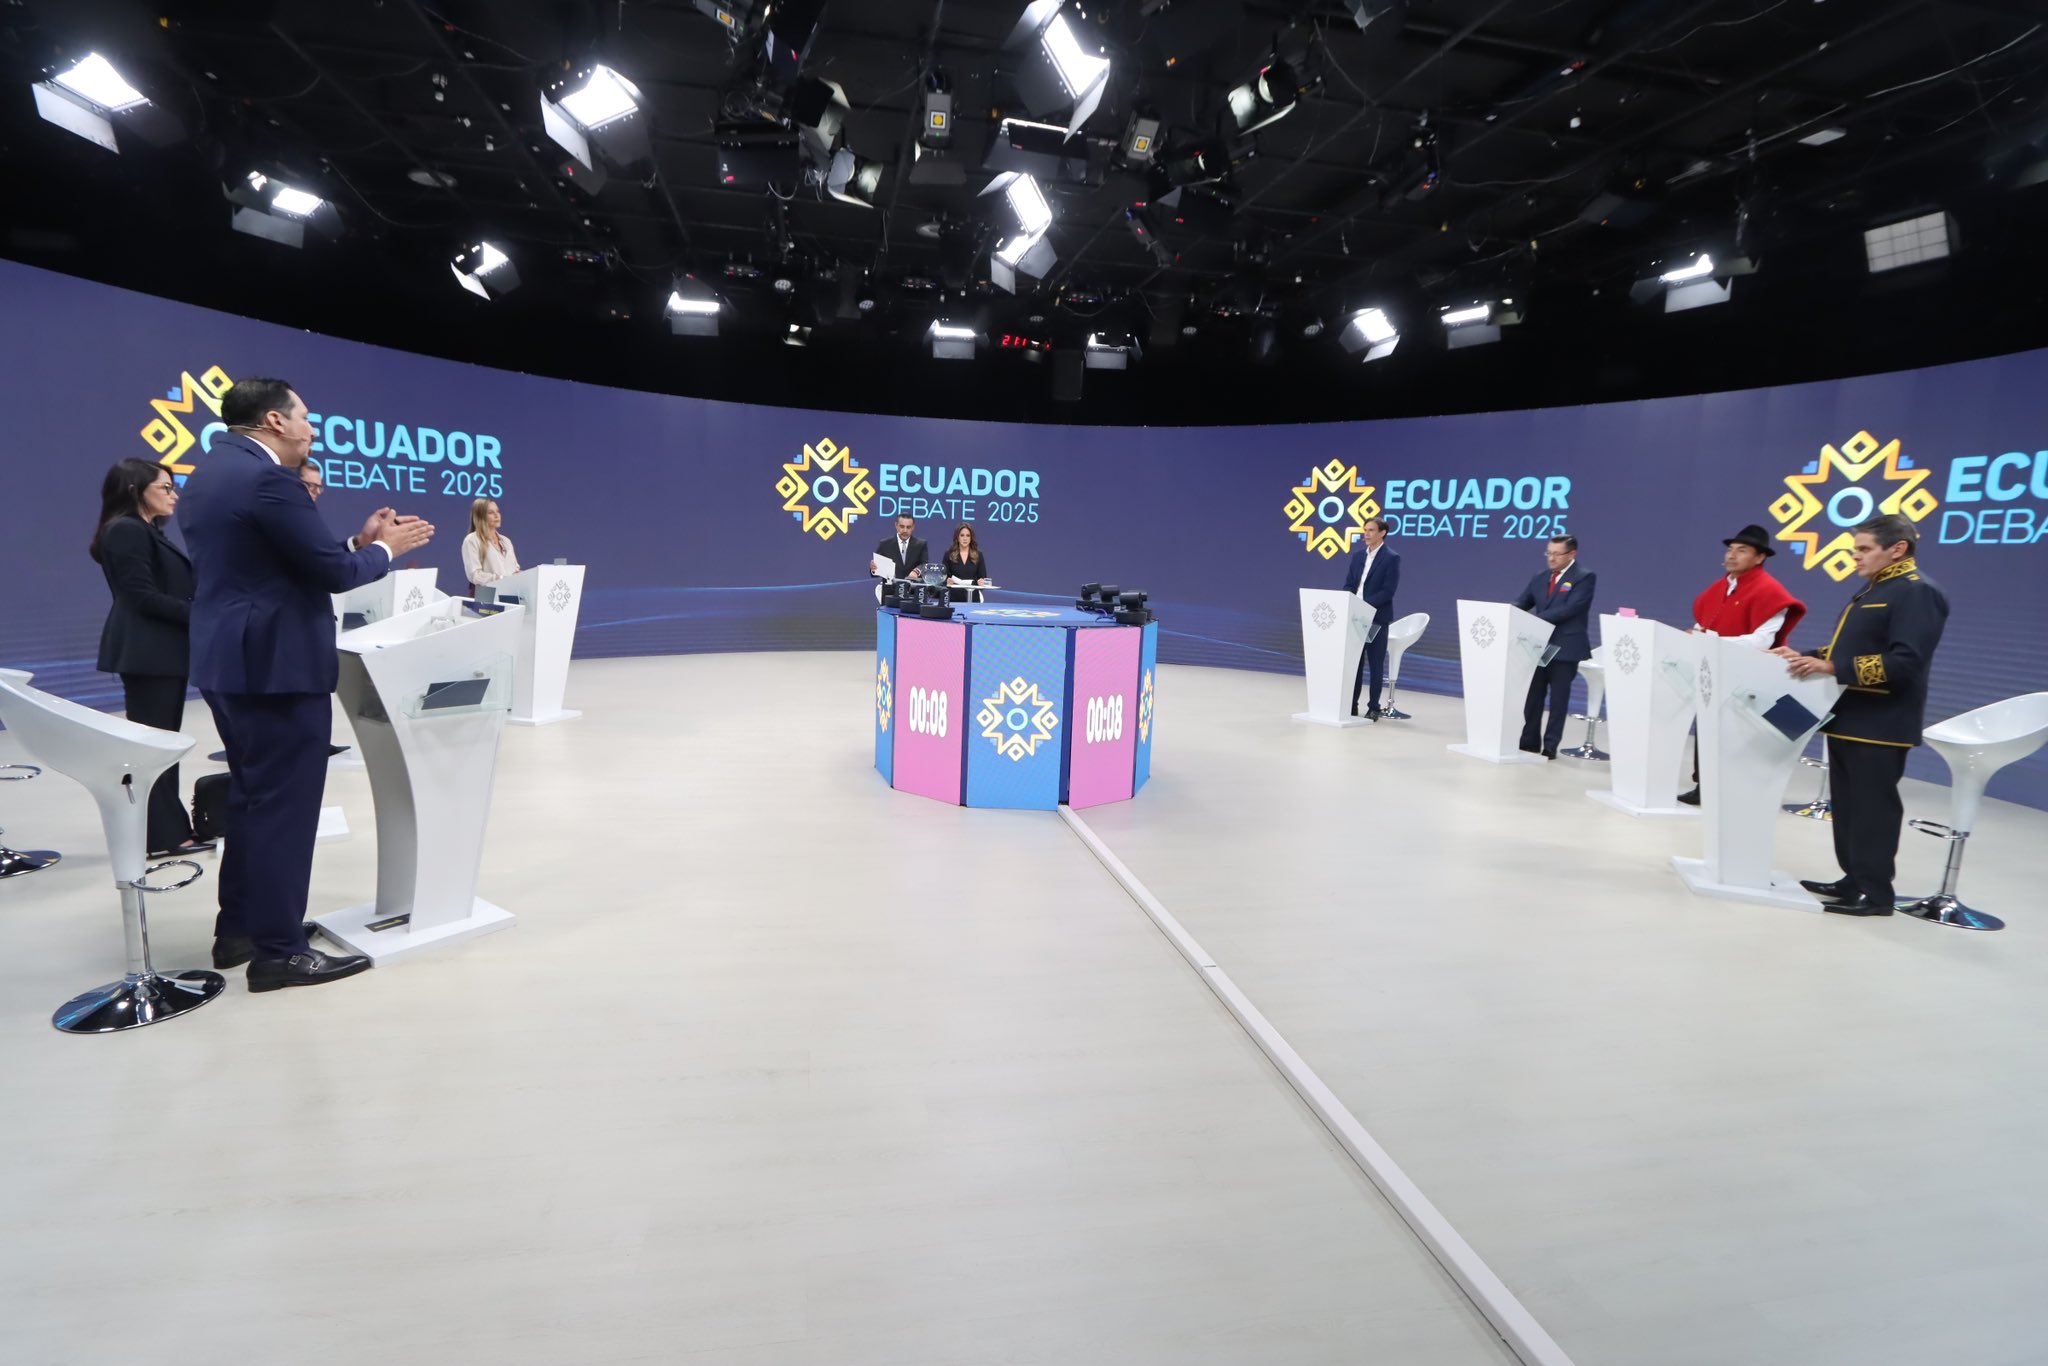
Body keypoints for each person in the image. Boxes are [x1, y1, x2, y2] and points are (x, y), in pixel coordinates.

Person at [178, 377, 435, 991]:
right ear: (274, 421)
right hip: (276, 668)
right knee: (286, 810)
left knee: (252, 799)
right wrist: (383, 552)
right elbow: (332, 573)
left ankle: (240, 930)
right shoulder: (270, 478)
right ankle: (280, 952)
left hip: (230, 663)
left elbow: (274, 564)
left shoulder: (209, 474)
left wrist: (357, 541)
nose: (312, 430)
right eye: (305, 419)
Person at [1773, 514, 1948, 916]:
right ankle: (1853, 879)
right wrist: (1809, 657)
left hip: (1883, 721)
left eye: (1864, 549)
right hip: (1851, 714)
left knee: (1873, 811)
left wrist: (1833, 668)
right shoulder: (1876, 589)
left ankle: (1876, 893)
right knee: (1850, 807)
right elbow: (1850, 647)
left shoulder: (1917, 593)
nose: (1856, 557)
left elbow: (1907, 661)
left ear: (1898, 548)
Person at [89, 458, 214, 859]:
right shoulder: (126, 531)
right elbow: (141, 596)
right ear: (135, 490)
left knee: (160, 746)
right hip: (149, 653)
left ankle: (165, 830)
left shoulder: (143, 530)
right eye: (165, 487)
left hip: (161, 652)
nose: (173, 495)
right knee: (154, 749)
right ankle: (163, 835)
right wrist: (205, 614)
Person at [1677, 523, 1807, 804]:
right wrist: (1697, 636)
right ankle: (1704, 786)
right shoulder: (1720, 588)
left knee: (1735, 733)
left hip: (1747, 675)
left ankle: (1732, 789)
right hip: (1714, 669)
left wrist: (1711, 642)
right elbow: (1704, 624)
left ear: (1760, 557)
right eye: (1730, 549)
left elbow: (1761, 641)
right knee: (1708, 725)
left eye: (1742, 550)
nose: (1732, 555)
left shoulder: (1770, 591)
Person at [1512, 534, 1597, 759]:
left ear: (1572, 554)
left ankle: (1550, 746)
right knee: (1533, 697)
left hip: (1565, 647)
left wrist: (1538, 619)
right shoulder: (1540, 577)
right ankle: (1529, 740)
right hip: (1538, 647)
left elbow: (1571, 608)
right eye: (1548, 553)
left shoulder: (1584, 577)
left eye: (1556, 554)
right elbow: (1523, 602)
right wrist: (1505, 612)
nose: (1551, 558)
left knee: (1558, 700)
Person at [1339, 516, 1400, 719]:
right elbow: (1349, 583)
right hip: (1355, 618)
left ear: (1382, 533)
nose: (1366, 534)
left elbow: (1388, 591)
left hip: (1376, 619)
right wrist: (1348, 601)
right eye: (1365, 530)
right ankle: (1351, 704)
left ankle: (1373, 707)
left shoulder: (1391, 558)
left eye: (1371, 530)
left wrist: (1365, 606)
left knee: (1375, 664)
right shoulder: (1357, 556)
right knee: (1354, 664)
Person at [462, 498, 519, 591]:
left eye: (498, 511)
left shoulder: (506, 541)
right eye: (491, 513)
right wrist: (500, 579)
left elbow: (514, 570)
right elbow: (475, 575)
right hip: (487, 597)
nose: (497, 516)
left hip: (511, 594)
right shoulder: (472, 540)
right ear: (480, 516)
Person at [941, 524, 992, 603]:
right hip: (953, 598)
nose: (965, 538)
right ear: (957, 537)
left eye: (968, 535)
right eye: (962, 535)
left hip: (973, 598)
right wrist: (947, 581)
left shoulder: (978, 555)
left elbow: (982, 577)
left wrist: (982, 582)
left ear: (971, 538)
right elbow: (942, 577)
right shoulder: (948, 554)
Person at [873, 514, 927, 583]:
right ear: (896, 525)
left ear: (913, 527)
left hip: (912, 590)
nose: (905, 530)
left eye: (908, 527)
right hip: (890, 590)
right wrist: (873, 569)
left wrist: (916, 571)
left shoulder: (921, 544)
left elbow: (924, 564)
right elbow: (876, 571)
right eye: (902, 526)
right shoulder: (885, 544)